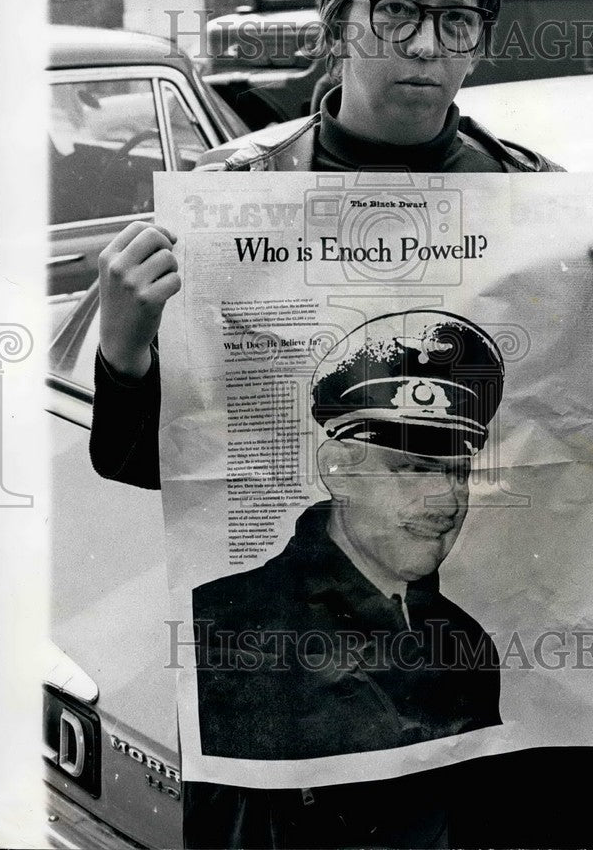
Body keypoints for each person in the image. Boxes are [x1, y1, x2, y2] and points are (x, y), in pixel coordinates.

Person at [90, 0, 593, 849]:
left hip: (495, 782)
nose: (425, 47)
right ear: (338, 20)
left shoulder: (541, 202)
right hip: (295, 795)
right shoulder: (231, 199)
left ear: (481, 38)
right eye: (396, 12)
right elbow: (173, 473)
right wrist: (126, 348)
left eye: (456, 20)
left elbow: (585, 442)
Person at [194, 311, 503, 761]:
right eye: (414, 469)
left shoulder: (465, 639)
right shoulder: (226, 626)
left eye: (459, 474)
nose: (448, 502)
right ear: (336, 469)